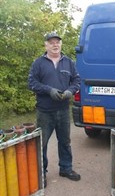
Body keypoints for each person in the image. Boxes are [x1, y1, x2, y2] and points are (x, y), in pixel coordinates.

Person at [28, 32, 81, 187]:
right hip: (45, 111)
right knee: (42, 143)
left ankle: (66, 168)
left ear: (61, 44)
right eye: (51, 42)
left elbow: (77, 80)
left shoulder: (69, 62)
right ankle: (41, 173)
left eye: (57, 42)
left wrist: (70, 91)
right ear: (46, 45)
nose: (55, 45)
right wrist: (48, 90)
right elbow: (32, 83)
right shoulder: (38, 63)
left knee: (65, 141)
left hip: (63, 110)